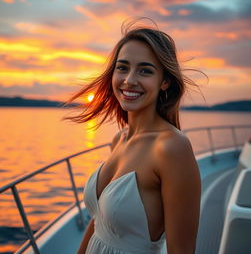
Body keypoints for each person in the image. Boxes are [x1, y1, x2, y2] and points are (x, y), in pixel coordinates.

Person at [65, 18, 201, 254]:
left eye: (145, 71)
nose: (129, 80)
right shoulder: (119, 139)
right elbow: (99, 222)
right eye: (123, 67)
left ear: (165, 82)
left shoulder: (171, 148)